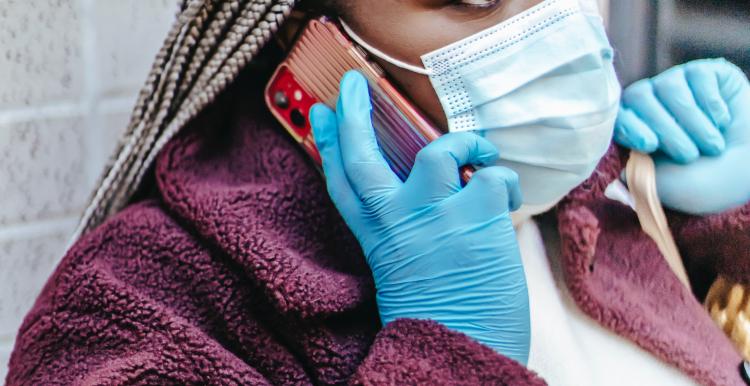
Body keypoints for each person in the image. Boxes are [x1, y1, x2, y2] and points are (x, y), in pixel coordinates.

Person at [6, 0, 750, 385]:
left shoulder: (597, 186)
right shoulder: (141, 300)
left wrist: (721, 228)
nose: (560, 32)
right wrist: (448, 355)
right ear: (311, 30)